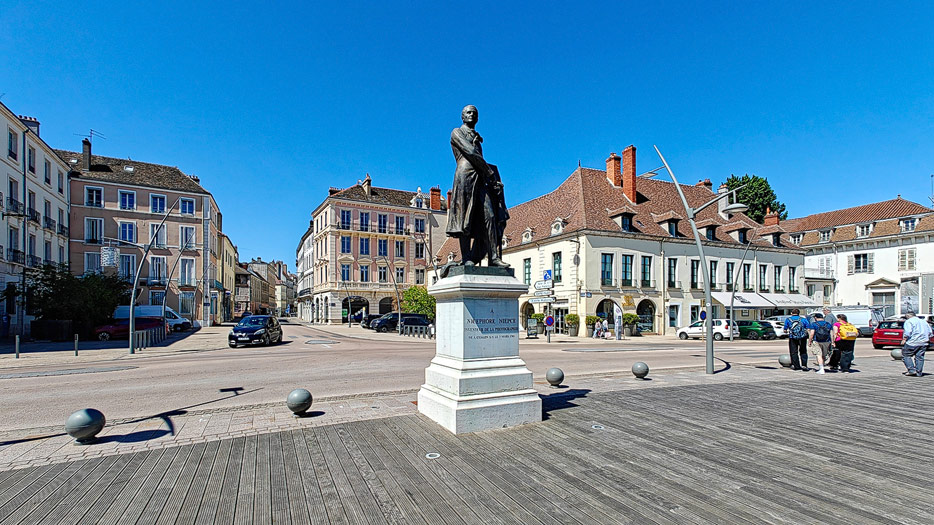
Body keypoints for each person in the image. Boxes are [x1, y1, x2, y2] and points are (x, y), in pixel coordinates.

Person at [446, 105, 509, 268]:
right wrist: (490, 173)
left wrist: (491, 177)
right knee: (464, 217)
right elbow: (471, 152)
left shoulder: (477, 136)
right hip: (465, 176)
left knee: (490, 216)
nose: (472, 115)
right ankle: (467, 257)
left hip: (480, 179)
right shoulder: (456, 133)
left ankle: (493, 257)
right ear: (462, 116)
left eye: (475, 113)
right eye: (468, 112)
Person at [900, 311, 932, 377]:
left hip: (913, 342)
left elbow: (908, 331)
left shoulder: (909, 321)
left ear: (908, 316)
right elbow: (930, 332)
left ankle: (911, 370)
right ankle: (919, 372)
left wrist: (904, 339)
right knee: (919, 357)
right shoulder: (924, 321)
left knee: (906, 355)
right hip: (924, 342)